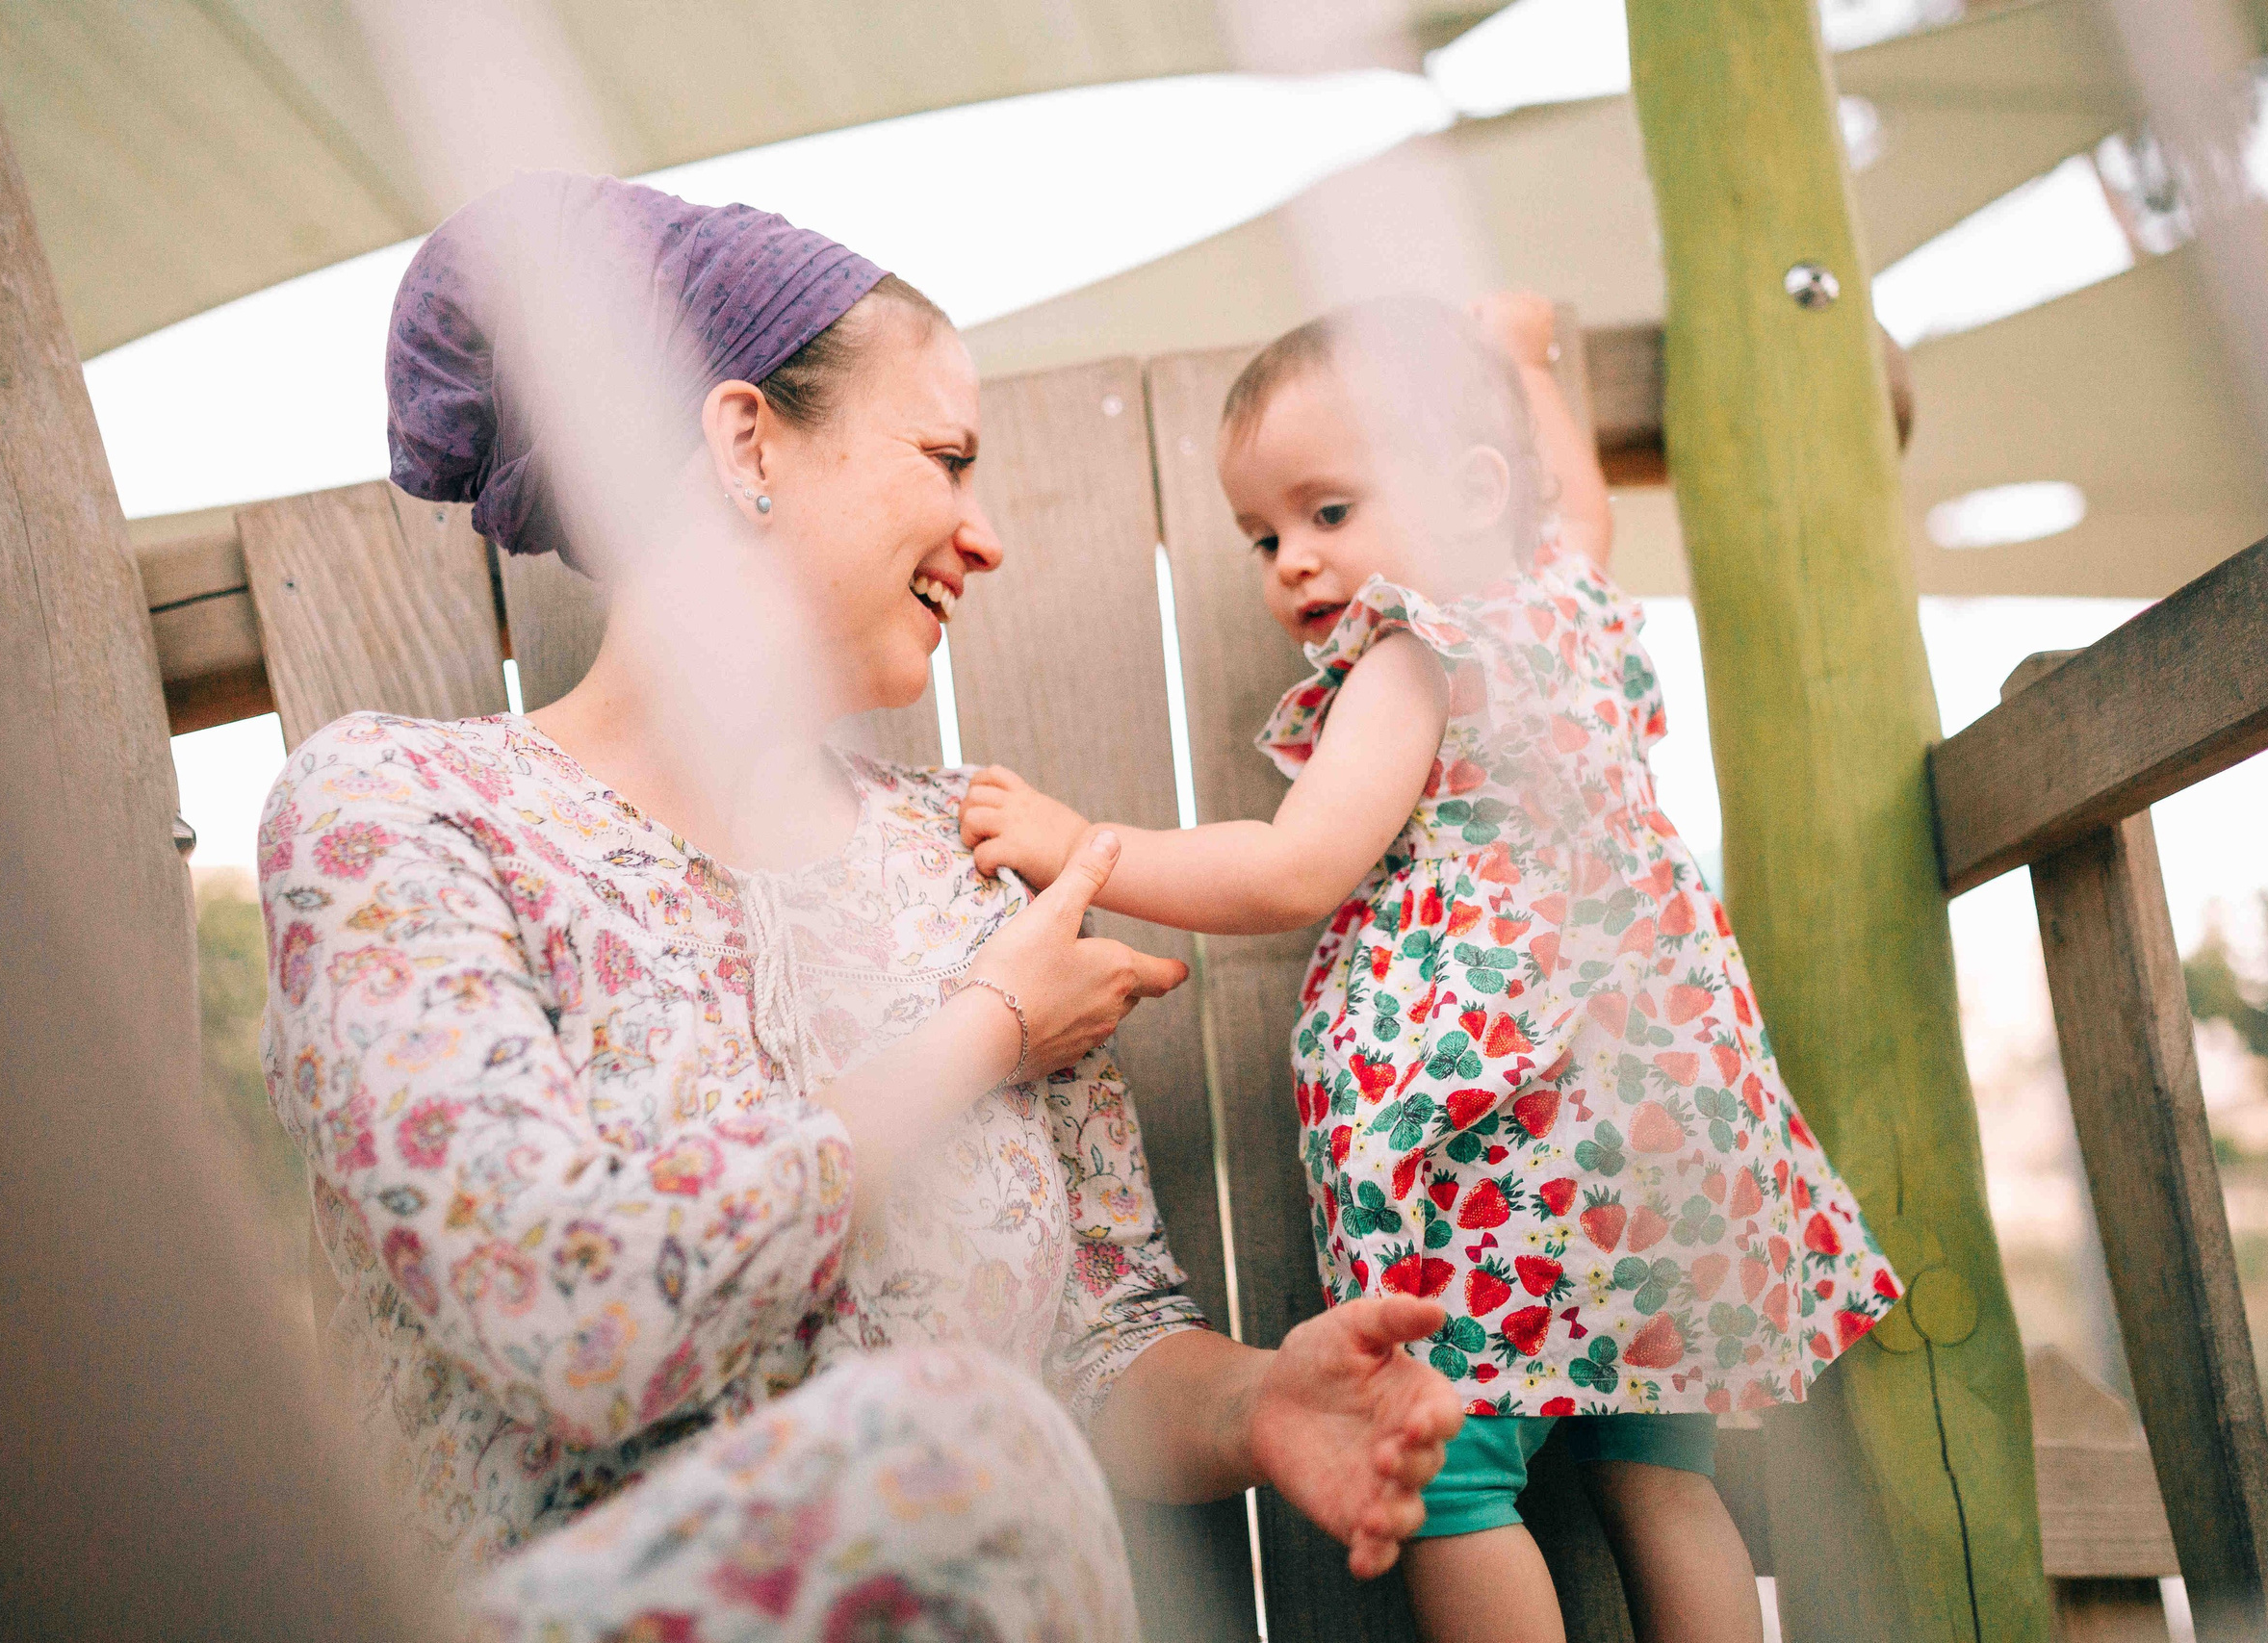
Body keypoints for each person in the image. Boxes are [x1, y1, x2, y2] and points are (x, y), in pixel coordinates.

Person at [260, 171, 1463, 1642]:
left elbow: (1103, 1345)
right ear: (747, 438)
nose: (988, 534)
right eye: (946, 458)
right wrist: (981, 1033)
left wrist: (1258, 1401)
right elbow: (562, 1313)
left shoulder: (966, 856)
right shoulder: (401, 817)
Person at [961, 294, 1901, 1643]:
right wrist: (1527, 366)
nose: (1290, 562)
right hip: (1658, 1124)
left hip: (1494, 1137)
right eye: (1264, 534)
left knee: (1454, 1476)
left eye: (1329, 512)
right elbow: (1581, 509)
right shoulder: (1572, 599)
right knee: (1666, 1482)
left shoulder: (1416, 649)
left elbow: (1294, 867)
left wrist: (1078, 845)